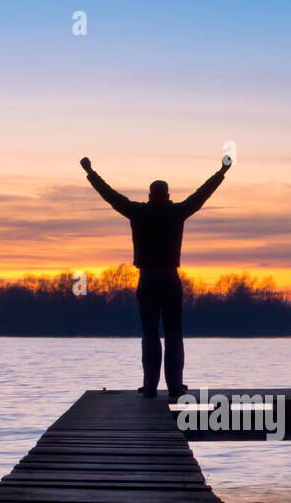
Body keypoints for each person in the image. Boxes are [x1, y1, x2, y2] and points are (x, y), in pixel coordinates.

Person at [81, 155, 231, 397]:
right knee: (173, 334)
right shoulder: (177, 211)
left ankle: (150, 386)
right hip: (170, 279)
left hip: (148, 279)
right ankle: (174, 386)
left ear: (150, 196)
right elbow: (202, 194)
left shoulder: (138, 212)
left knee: (150, 334)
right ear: (168, 196)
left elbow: (109, 195)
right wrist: (221, 172)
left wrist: (90, 172)